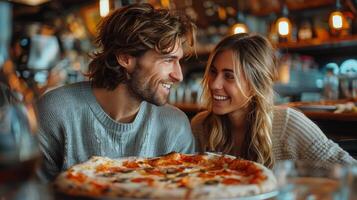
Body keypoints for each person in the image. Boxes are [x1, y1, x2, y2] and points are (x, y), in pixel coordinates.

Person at [36, 3, 196, 182]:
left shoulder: (175, 126)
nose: (179, 75)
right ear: (125, 58)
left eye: (179, 61)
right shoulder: (55, 111)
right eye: (168, 60)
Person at [191, 33, 356, 168]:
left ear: (256, 83)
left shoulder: (288, 124)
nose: (214, 84)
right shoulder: (200, 126)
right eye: (213, 72)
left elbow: (351, 172)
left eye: (229, 76)